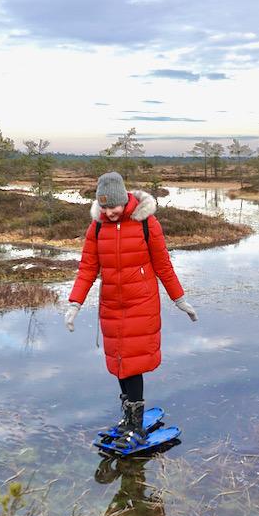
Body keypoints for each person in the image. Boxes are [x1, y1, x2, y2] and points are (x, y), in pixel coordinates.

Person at [66, 172, 198, 450]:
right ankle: (128, 417)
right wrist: (75, 303)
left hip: (141, 304)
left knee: (133, 363)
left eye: (113, 206)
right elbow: (88, 268)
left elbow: (163, 265)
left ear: (124, 199)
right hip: (111, 305)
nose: (109, 212)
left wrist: (180, 299)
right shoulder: (97, 228)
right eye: (103, 207)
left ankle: (136, 425)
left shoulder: (147, 224)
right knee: (118, 362)